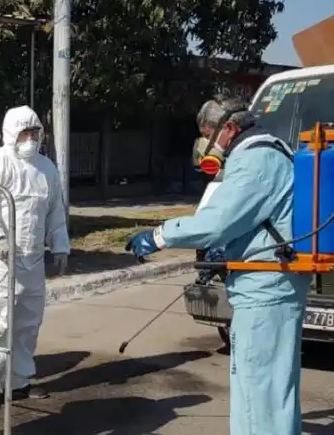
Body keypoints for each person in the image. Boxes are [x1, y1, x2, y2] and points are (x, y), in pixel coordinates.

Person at [126, 97, 310, 435]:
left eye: (208, 134)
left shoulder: (255, 160)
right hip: (276, 282)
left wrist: (159, 236)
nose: (206, 144)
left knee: (257, 389)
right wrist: (226, 252)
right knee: (276, 389)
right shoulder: (274, 149)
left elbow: (218, 221)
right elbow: (251, 219)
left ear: (230, 128)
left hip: (265, 290)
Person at [0, 105, 70, 408]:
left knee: (28, 322)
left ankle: (19, 381)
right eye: (24, 133)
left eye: (34, 133)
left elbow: (54, 209)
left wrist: (60, 244)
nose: (30, 139)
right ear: (10, 133)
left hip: (32, 258)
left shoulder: (46, 168)